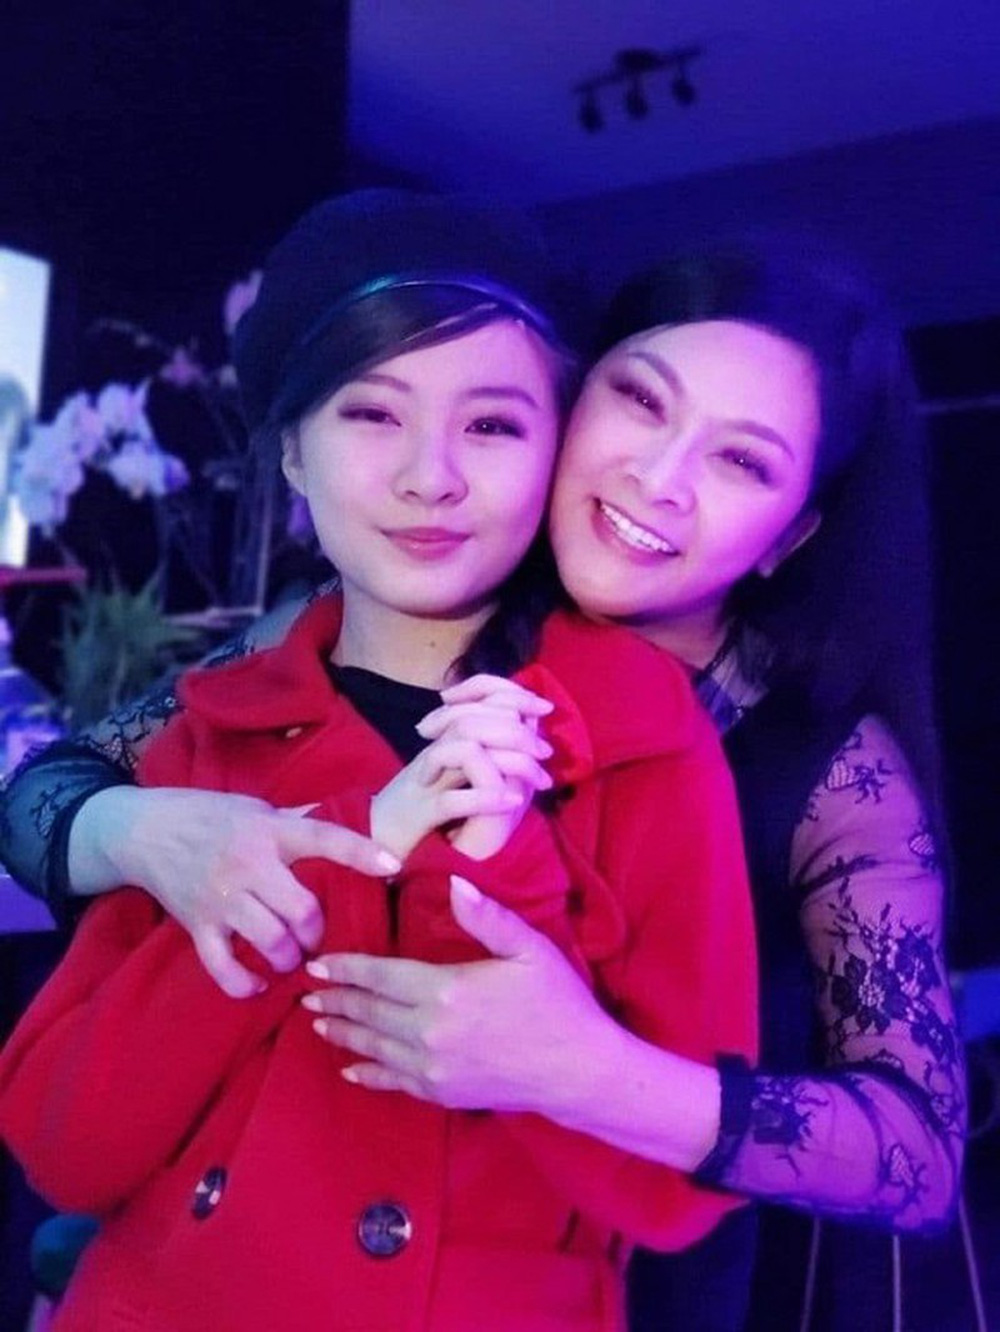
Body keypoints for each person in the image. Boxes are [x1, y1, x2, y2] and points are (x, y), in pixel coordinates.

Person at [0, 235, 963, 1329]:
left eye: (742, 461)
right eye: (641, 401)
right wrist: (142, 831)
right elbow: (55, 787)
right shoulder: (391, 612)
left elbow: (918, 1156)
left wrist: (587, 1070)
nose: (657, 479)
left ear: (791, 533)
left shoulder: (821, 764)